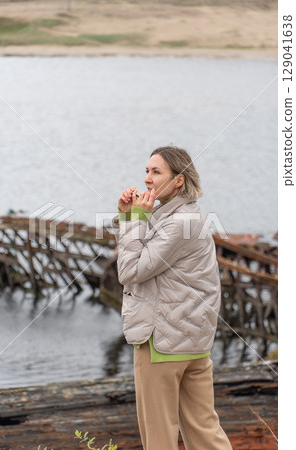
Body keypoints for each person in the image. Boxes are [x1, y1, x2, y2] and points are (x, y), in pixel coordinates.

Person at [113, 146, 232, 450]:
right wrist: (129, 217)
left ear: (179, 180)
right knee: (205, 433)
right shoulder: (187, 215)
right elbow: (146, 255)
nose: (147, 179)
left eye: (156, 172)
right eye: (147, 171)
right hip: (193, 344)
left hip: (161, 344)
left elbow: (130, 270)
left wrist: (134, 218)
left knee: (159, 438)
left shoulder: (178, 223)